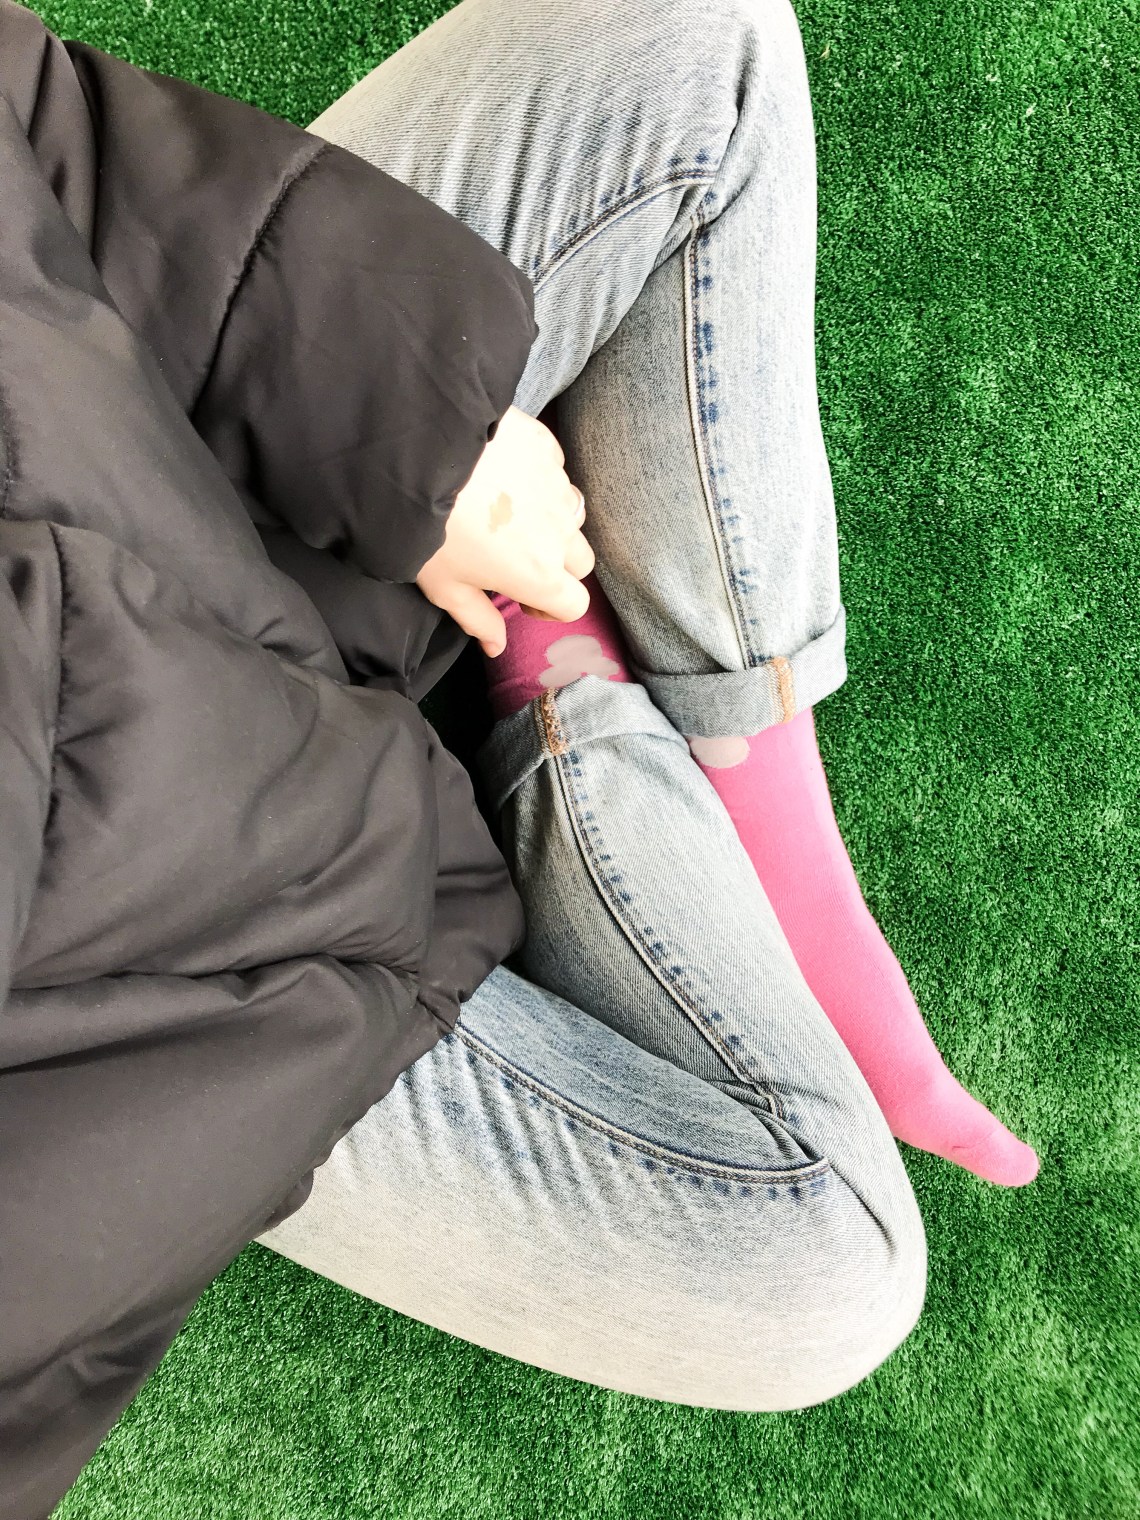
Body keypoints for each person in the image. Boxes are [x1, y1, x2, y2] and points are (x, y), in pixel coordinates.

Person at [0, 0, 1038, 1513]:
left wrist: (391, 419)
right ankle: (559, 694)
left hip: (154, 495)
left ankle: (736, 765)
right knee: (826, 1274)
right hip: (192, 1007)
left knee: (694, 43)